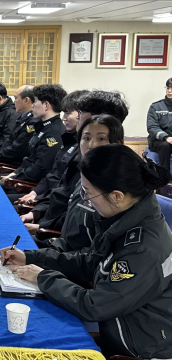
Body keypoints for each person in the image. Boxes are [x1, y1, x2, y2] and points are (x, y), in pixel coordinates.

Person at [1, 144, 172, 360]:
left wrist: (42, 277)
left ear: (117, 196)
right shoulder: (126, 220)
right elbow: (89, 261)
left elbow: (95, 306)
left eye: (88, 193)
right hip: (121, 341)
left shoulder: (143, 248)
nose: (86, 200)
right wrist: (32, 257)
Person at [47, 91, 130, 253]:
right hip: (63, 244)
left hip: (74, 256)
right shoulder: (87, 163)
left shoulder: (118, 178)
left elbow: (95, 252)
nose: (91, 144)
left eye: (81, 113)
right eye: (86, 138)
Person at [22, 115, 124, 239]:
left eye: (101, 139)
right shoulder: (83, 172)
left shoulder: (116, 181)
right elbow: (70, 210)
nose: (91, 145)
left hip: (66, 243)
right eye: (86, 138)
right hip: (54, 232)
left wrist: (42, 227)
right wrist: (38, 216)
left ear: (117, 143)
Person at [16, 90, 88, 207]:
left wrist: (38, 205)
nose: (64, 118)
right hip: (44, 197)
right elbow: (53, 175)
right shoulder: (68, 139)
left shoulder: (56, 134)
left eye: (68, 113)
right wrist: (35, 192)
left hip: (49, 202)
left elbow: (63, 190)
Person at [1, 84, 67, 191]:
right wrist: (14, 173)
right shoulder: (42, 126)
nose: (32, 105)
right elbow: (30, 160)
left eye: (35, 101)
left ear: (46, 105)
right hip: (27, 177)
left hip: (35, 186)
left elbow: (40, 169)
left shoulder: (53, 133)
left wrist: (15, 178)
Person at [0, 85, 35, 164]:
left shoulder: (32, 121)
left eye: (16, 98)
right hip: (5, 158)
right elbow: (8, 139)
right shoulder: (21, 117)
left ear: (26, 100)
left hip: (14, 164)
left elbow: (17, 149)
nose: (14, 102)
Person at [146, 77, 172, 172]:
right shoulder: (156, 107)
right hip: (159, 141)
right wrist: (166, 137)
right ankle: (165, 175)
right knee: (165, 145)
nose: (169, 91)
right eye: (168, 87)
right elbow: (152, 127)